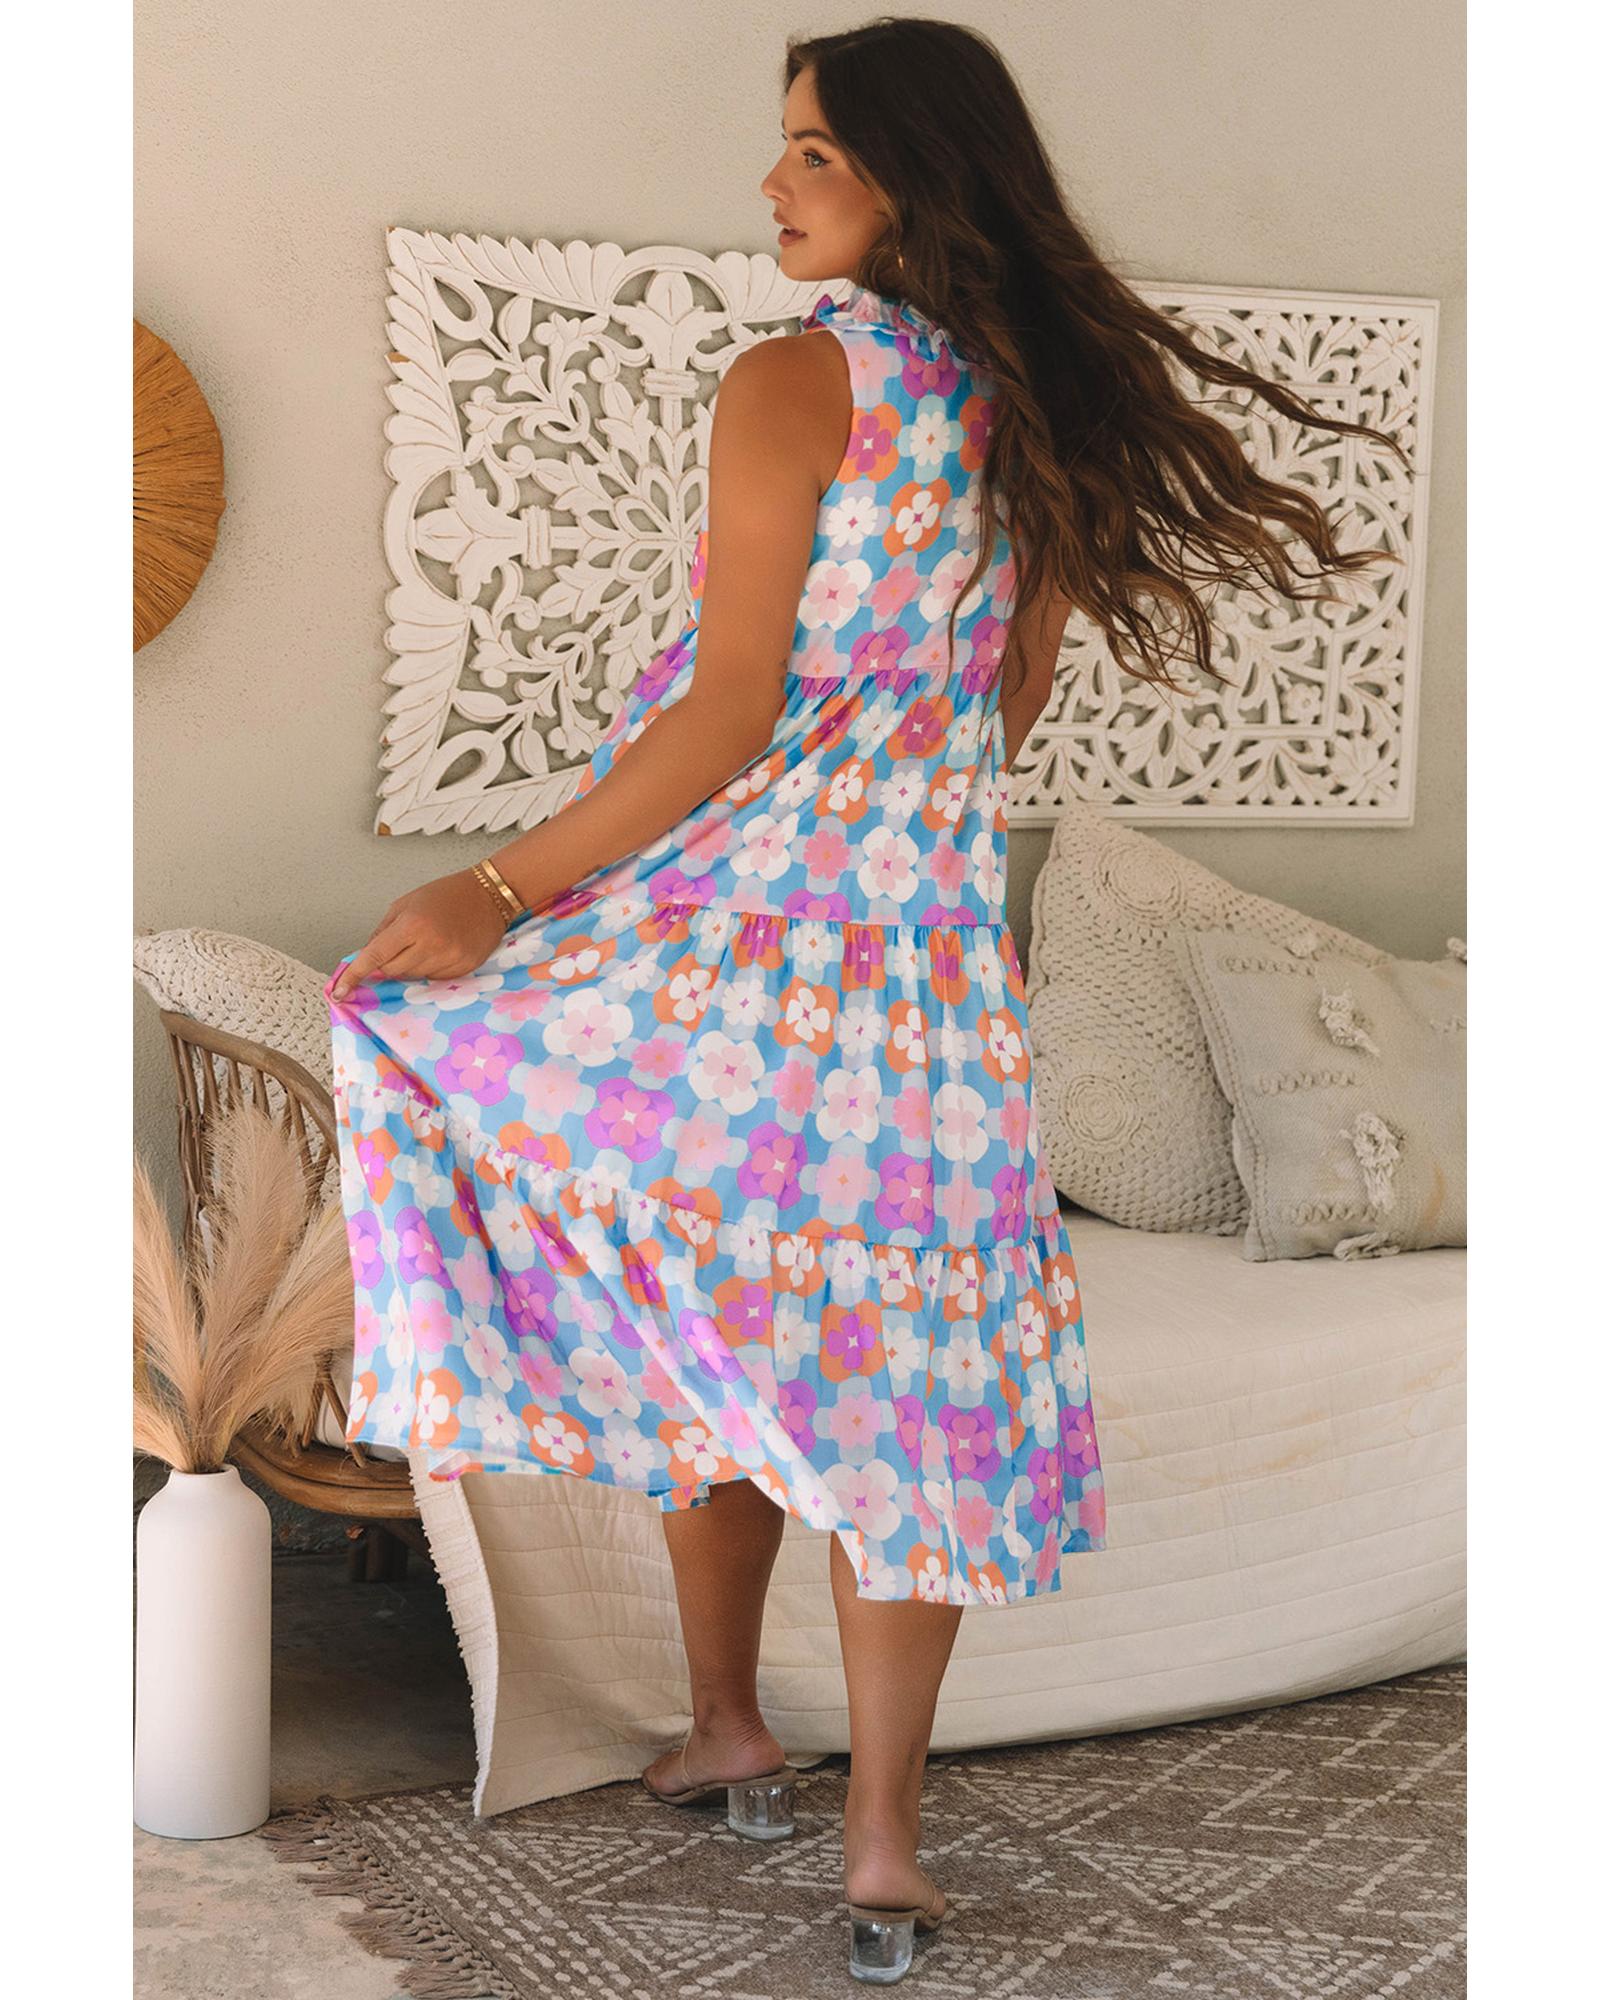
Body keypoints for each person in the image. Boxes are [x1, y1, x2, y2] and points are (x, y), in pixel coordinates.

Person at [324, 19, 1407, 1985]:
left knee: (717, 1318)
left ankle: (728, 1721)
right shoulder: (1044, 417)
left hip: (735, 950)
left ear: (913, 174)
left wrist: (488, 894)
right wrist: (893, 813)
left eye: (813, 150)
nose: (775, 183)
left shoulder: (791, 382)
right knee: (899, 1372)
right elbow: (1007, 708)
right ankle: (878, 1837)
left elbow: (728, 713)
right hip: (926, 983)